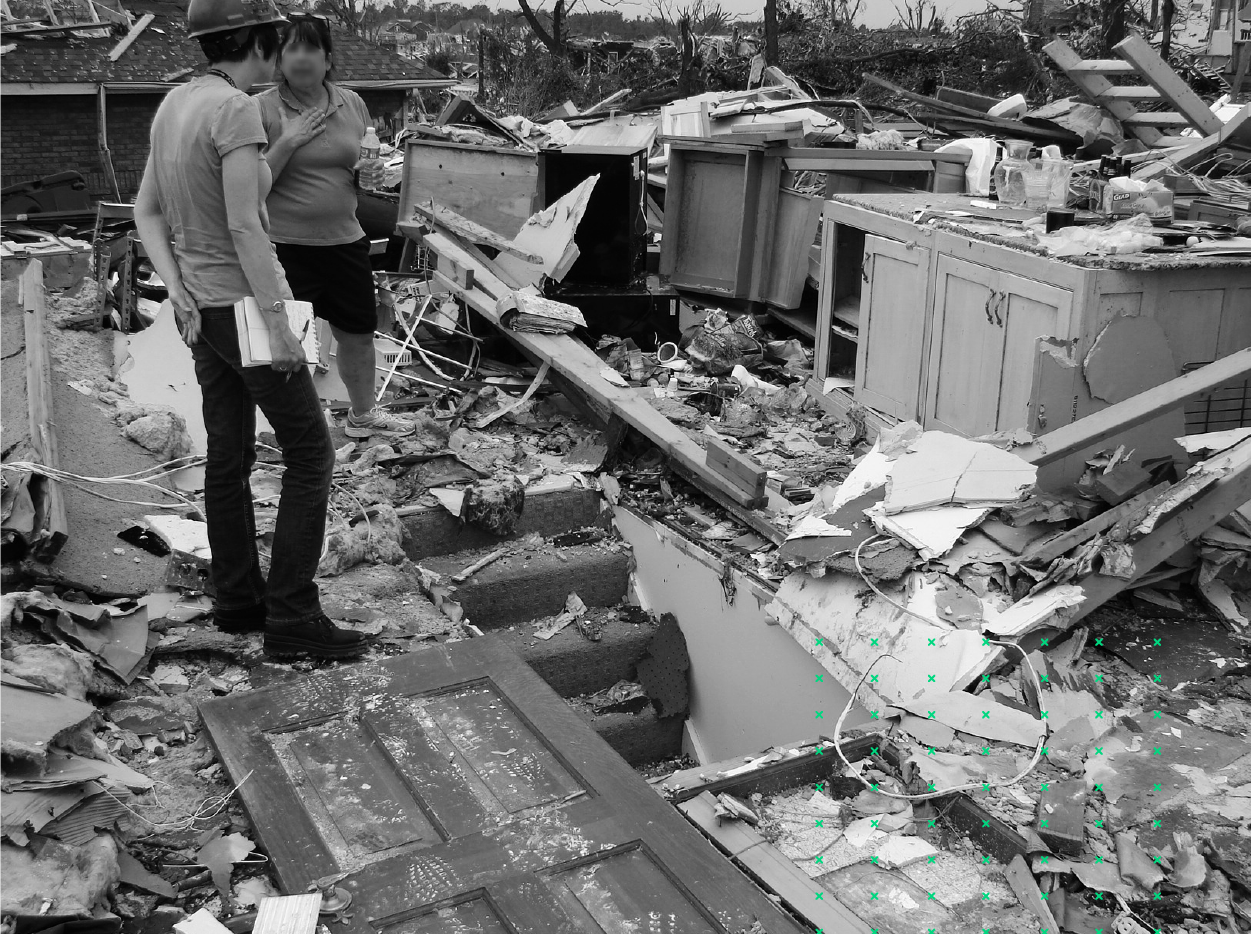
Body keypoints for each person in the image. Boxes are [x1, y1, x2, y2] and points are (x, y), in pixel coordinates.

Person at [133, 0, 371, 660]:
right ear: (257, 41)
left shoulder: (175, 104)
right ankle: (293, 616)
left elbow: (144, 210)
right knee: (310, 455)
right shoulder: (235, 109)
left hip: (202, 311)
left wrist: (176, 286)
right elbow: (244, 225)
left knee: (230, 454)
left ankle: (238, 598)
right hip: (242, 308)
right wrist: (279, 320)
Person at [256, 14, 414, 439]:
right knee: (291, 345)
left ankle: (363, 415)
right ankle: (295, 429)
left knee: (358, 333)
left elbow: (359, 168)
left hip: (345, 239)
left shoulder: (352, 103)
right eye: (291, 49)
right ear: (279, 60)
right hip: (285, 246)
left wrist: (371, 175)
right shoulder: (262, 109)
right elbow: (251, 182)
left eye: (311, 49)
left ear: (327, 59)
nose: (301, 58)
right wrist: (289, 140)